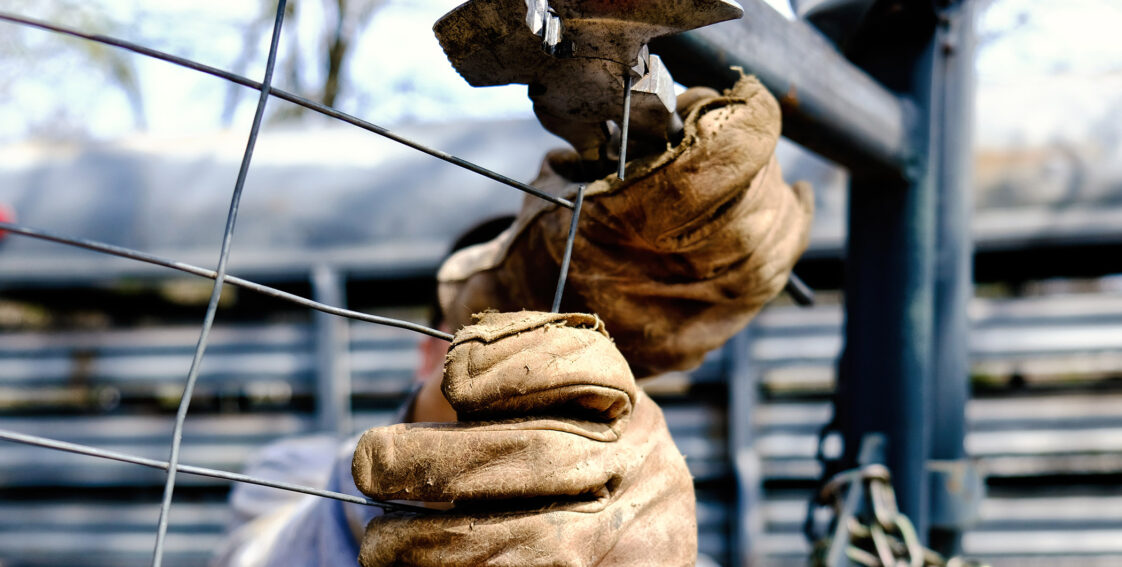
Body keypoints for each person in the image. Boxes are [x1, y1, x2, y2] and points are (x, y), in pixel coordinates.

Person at [214, 74, 813, 567]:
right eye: (472, 328)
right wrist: (439, 431)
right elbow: (264, 554)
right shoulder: (290, 471)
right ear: (427, 353)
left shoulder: (646, 515)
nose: (520, 360)